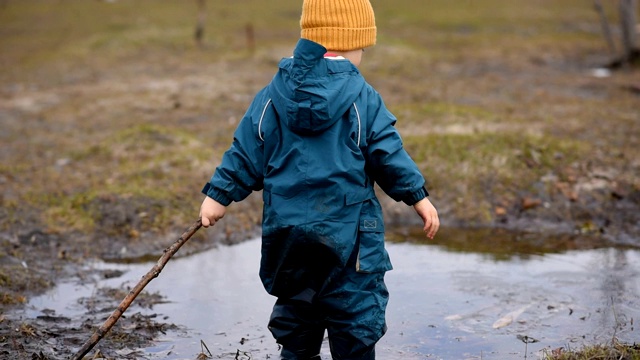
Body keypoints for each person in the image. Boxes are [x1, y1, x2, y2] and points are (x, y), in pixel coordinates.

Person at [199, 0, 439, 358]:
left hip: (289, 236)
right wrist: (418, 196)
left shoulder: (272, 95)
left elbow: (246, 151)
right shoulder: (362, 97)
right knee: (355, 322)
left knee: (298, 321)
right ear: (348, 43)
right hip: (351, 240)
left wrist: (218, 196)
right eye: (362, 47)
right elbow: (387, 154)